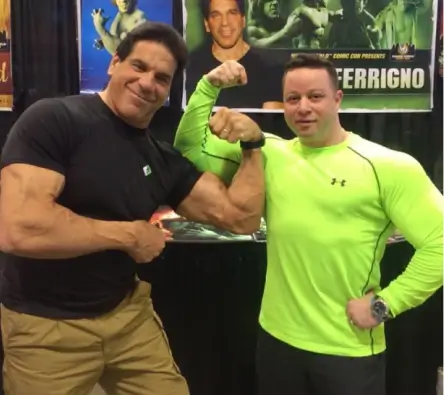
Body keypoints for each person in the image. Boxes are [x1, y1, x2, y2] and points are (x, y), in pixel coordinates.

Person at [0, 22, 265, 395]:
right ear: (113, 64)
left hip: (126, 317)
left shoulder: (160, 158)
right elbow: (19, 228)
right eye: (138, 67)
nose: (147, 83)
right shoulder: (55, 120)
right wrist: (129, 235)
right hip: (46, 326)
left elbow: (241, 218)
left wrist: (254, 144)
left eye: (161, 77)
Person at [174, 54, 443, 395]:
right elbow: (189, 147)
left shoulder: (387, 166)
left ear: (337, 99)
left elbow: (440, 243)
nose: (303, 107)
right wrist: (208, 86)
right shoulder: (267, 153)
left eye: (315, 96)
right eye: (292, 98)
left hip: (347, 350)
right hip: (276, 342)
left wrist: (385, 304)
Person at [185, 0, 282, 109]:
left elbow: (271, 123)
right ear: (207, 24)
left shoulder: (270, 68)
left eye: (232, 13)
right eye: (216, 15)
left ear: (243, 20)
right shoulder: (188, 67)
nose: (225, 22)